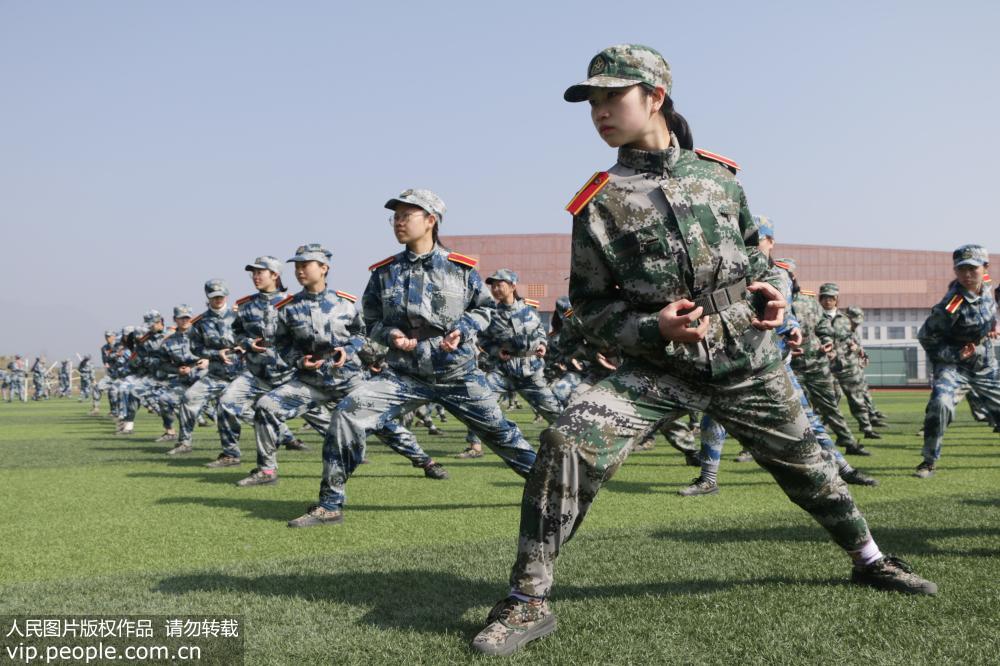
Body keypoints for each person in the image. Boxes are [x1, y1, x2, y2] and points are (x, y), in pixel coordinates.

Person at [470, 44, 935, 656]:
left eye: (613, 96)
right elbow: (590, 305)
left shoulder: (719, 178)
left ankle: (870, 559)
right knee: (567, 440)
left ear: (655, 97)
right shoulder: (599, 202)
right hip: (660, 368)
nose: (600, 111)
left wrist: (777, 294)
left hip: (747, 361)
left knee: (811, 470)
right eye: (593, 101)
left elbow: (760, 258)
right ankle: (528, 598)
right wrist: (653, 328)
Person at [286, 190, 537, 527]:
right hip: (404, 375)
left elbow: (485, 310)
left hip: (457, 374)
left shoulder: (460, 269)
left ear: (430, 220)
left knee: (505, 437)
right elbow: (370, 322)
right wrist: (390, 336)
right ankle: (330, 504)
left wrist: (462, 328)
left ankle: (556, 492)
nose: (398, 222)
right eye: (395, 217)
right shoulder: (384, 272)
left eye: (407, 215)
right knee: (347, 413)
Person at [237, 243, 442, 489]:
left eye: (306, 265)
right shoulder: (288, 307)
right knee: (266, 406)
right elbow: (282, 345)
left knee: (383, 424)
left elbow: (364, 333)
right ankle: (267, 469)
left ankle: (425, 461)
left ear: (323, 268)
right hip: (310, 382)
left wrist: (350, 349)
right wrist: (299, 360)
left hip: (349, 379)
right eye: (297, 266)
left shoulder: (344, 303)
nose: (300, 270)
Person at [209, 256, 307, 468]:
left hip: (289, 373)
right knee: (226, 402)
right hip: (255, 373)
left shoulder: (294, 302)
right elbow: (237, 332)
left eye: (260, 272)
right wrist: (248, 342)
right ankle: (230, 454)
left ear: (274, 275)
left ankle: (351, 450)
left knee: (322, 413)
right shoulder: (245, 305)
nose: (255, 277)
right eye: (253, 273)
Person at [915, 244, 1000, 477]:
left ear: (985, 268)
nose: (966, 274)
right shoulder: (952, 305)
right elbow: (926, 337)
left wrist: (993, 325)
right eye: (961, 269)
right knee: (940, 404)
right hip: (954, 364)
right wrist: (955, 356)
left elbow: (992, 304)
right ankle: (928, 461)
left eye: (972, 268)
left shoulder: (988, 284)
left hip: (984, 364)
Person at [166, 280, 243, 455]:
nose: (218, 299)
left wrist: (243, 347)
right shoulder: (200, 322)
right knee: (189, 398)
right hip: (216, 374)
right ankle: (184, 442)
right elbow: (196, 348)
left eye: (221, 296)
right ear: (208, 297)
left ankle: (287, 438)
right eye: (214, 296)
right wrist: (216, 354)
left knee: (256, 410)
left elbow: (254, 338)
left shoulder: (239, 316)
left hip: (242, 374)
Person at [479, 269, 563, 424]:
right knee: (482, 405)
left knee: (555, 412)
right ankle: (475, 446)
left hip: (531, 369)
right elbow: (482, 339)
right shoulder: (491, 314)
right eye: (493, 286)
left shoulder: (529, 309)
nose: (495, 289)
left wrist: (543, 344)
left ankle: (568, 440)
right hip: (503, 370)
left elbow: (539, 330)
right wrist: (496, 351)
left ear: (512, 286)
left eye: (499, 285)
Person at [818, 283, 881, 442]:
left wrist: (859, 350)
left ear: (836, 299)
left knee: (856, 397)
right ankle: (824, 429)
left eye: (831, 298)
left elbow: (852, 339)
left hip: (846, 364)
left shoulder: (844, 320)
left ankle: (866, 428)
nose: (828, 301)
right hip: (824, 365)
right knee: (830, 398)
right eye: (825, 297)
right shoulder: (815, 317)